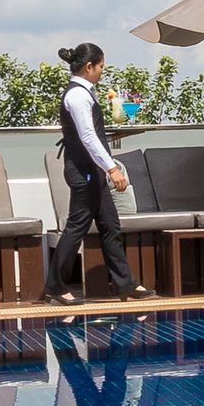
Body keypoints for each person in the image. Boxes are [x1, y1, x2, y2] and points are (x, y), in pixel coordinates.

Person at [54, 41, 152, 300]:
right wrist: (112, 168)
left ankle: (126, 284)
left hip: (91, 170)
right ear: (89, 67)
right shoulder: (77, 95)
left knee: (110, 225)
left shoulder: (87, 93)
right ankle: (54, 285)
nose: (102, 71)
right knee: (77, 227)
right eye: (101, 66)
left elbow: (92, 132)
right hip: (83, 170)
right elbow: (87, 136)